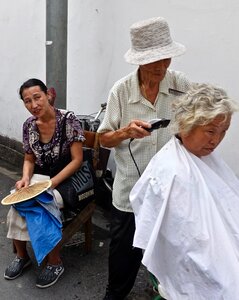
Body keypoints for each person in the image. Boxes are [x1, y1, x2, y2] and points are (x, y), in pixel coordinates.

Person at [98, 17, 191, 300]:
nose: (162, 68)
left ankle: (162, 291)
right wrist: (126, 131)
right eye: (154, 62)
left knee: (169, 252)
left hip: (168, 190)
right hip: (130, 190)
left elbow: (192, 126)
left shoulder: (180, 84)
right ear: (139, 61)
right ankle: (115, 295)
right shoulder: (121, 91)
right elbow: (103, 139)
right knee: (124, 254)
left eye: (166, 60)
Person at [130, 83, 239, 299]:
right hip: (198, 265)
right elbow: (186, 243)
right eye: (210, 131)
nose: (216, 140)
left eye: (223, 132)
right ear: (186, 125)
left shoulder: (205, 158)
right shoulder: (171, 172)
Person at [4, 78, 84, 288]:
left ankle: (55, 262)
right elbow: (29, 158)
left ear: (48, 95)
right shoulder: (29, 125)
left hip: (67, 178)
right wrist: (25, 179)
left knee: (42, 204)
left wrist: (52, 183)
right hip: (40, 177)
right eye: (27, 101)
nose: (34, 105)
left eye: (37, 97)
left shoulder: (68, 119)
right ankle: (23, 257)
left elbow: (77, 160)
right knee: (16, 202)